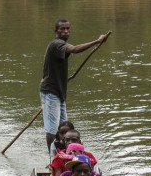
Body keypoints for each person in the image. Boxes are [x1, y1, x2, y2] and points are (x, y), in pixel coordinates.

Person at [40, 18, 109, 152]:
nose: (66, 31)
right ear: (56, 31)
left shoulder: (61, 45)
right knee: (52, 129)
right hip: (50, 92)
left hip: (59, 92)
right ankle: (52, 158)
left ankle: (66, 153)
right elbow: (75, 49)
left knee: (64, 127)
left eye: (68, 29)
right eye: (62, 29)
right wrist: (97, 41)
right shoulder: (56, 44)